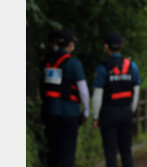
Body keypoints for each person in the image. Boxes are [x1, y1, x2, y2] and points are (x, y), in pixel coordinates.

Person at [41, 29, 90, 167]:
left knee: (53, 151)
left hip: (50, 112)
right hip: (70, 114)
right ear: (70, 44)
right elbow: (83, 91)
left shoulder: (46, 61)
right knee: (67, 153)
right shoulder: (74, 64)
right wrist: (86, 111)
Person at [92, 32, 141, 167]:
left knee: (110, 151)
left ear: (106, 47)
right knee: (126, 150)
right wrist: (132, 110)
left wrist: (95, 117)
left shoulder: (102, 68)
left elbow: (97, 94)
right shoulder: (132, 66)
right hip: (126, 112)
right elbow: (136, 91)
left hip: (108, 113)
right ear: (122, 46)